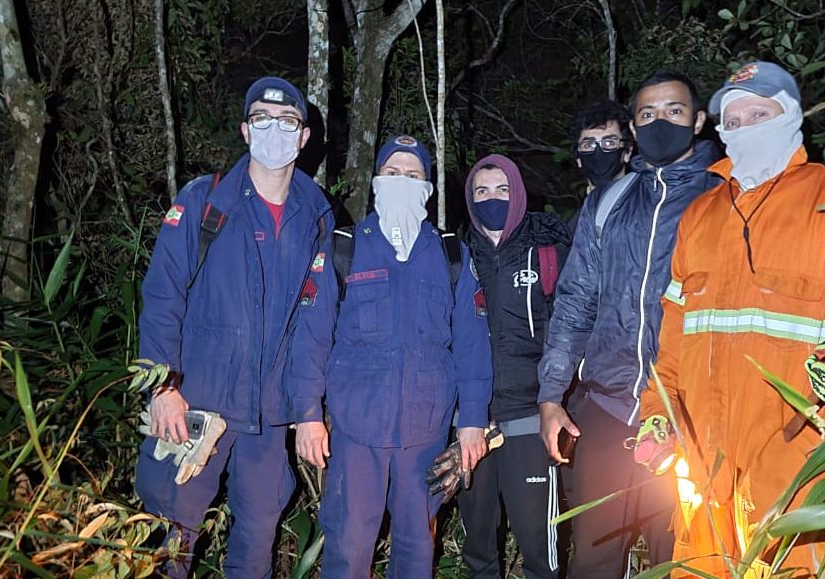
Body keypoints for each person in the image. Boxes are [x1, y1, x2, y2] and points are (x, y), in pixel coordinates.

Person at [636, 61, 825, 577]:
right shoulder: (701, 215)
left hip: (793, 460)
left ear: (790, 116)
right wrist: (658, 411)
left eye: (759, 113)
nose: (744, 129)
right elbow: (672, 334)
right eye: (732, 122)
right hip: (703, 465)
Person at [135, 76, 335, 578]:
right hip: (196, 401)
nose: (275, 131)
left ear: (304, 136)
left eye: (287, 122)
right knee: (169, 539)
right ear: (246, 131)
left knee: (256, 542)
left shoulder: (316, 214)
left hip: (268, 417)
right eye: (262, 120)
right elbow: (163, 295)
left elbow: (313, 319)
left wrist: (308, 409)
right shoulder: (207, 201)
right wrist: (162, 385)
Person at [538, 69, 721, 577]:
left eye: (675, 111)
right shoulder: (609, 201)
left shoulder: (724, 196)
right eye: (647, 114)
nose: (661, 121)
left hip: (691, 415)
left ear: (699, 121)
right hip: (608, 406)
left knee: (686, 558)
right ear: (634, 131)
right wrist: (551, 397)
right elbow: (575, 302)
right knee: (595, 555)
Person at [299, 135, 493, 579]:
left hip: (425, 433)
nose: (401, 182)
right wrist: (308, 414)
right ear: (375, 181)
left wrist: (472, 421)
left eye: (412, 175)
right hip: (355, 432)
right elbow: (311, 337)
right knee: (348, 548)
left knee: (416, 549)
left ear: (428, 187)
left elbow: (471, 343)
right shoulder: (343, 247)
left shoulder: (450, 254)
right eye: (392, 174)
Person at [458, 154, 572, 578]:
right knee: (478, 546)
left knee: (540, 548)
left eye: (502, 190)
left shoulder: (547, 249)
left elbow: (570, 323)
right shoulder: (458, 253)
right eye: (482, 191)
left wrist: (556, 396)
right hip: (472, 421)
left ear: (519, 194)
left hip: (530, 414)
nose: (492, 199)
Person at [567, 100, 634, 232]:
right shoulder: (573, 228)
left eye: (609, 143)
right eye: (588, 145)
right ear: (578, 159)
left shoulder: (650, 212)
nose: (599, 151)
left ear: (627, 152)